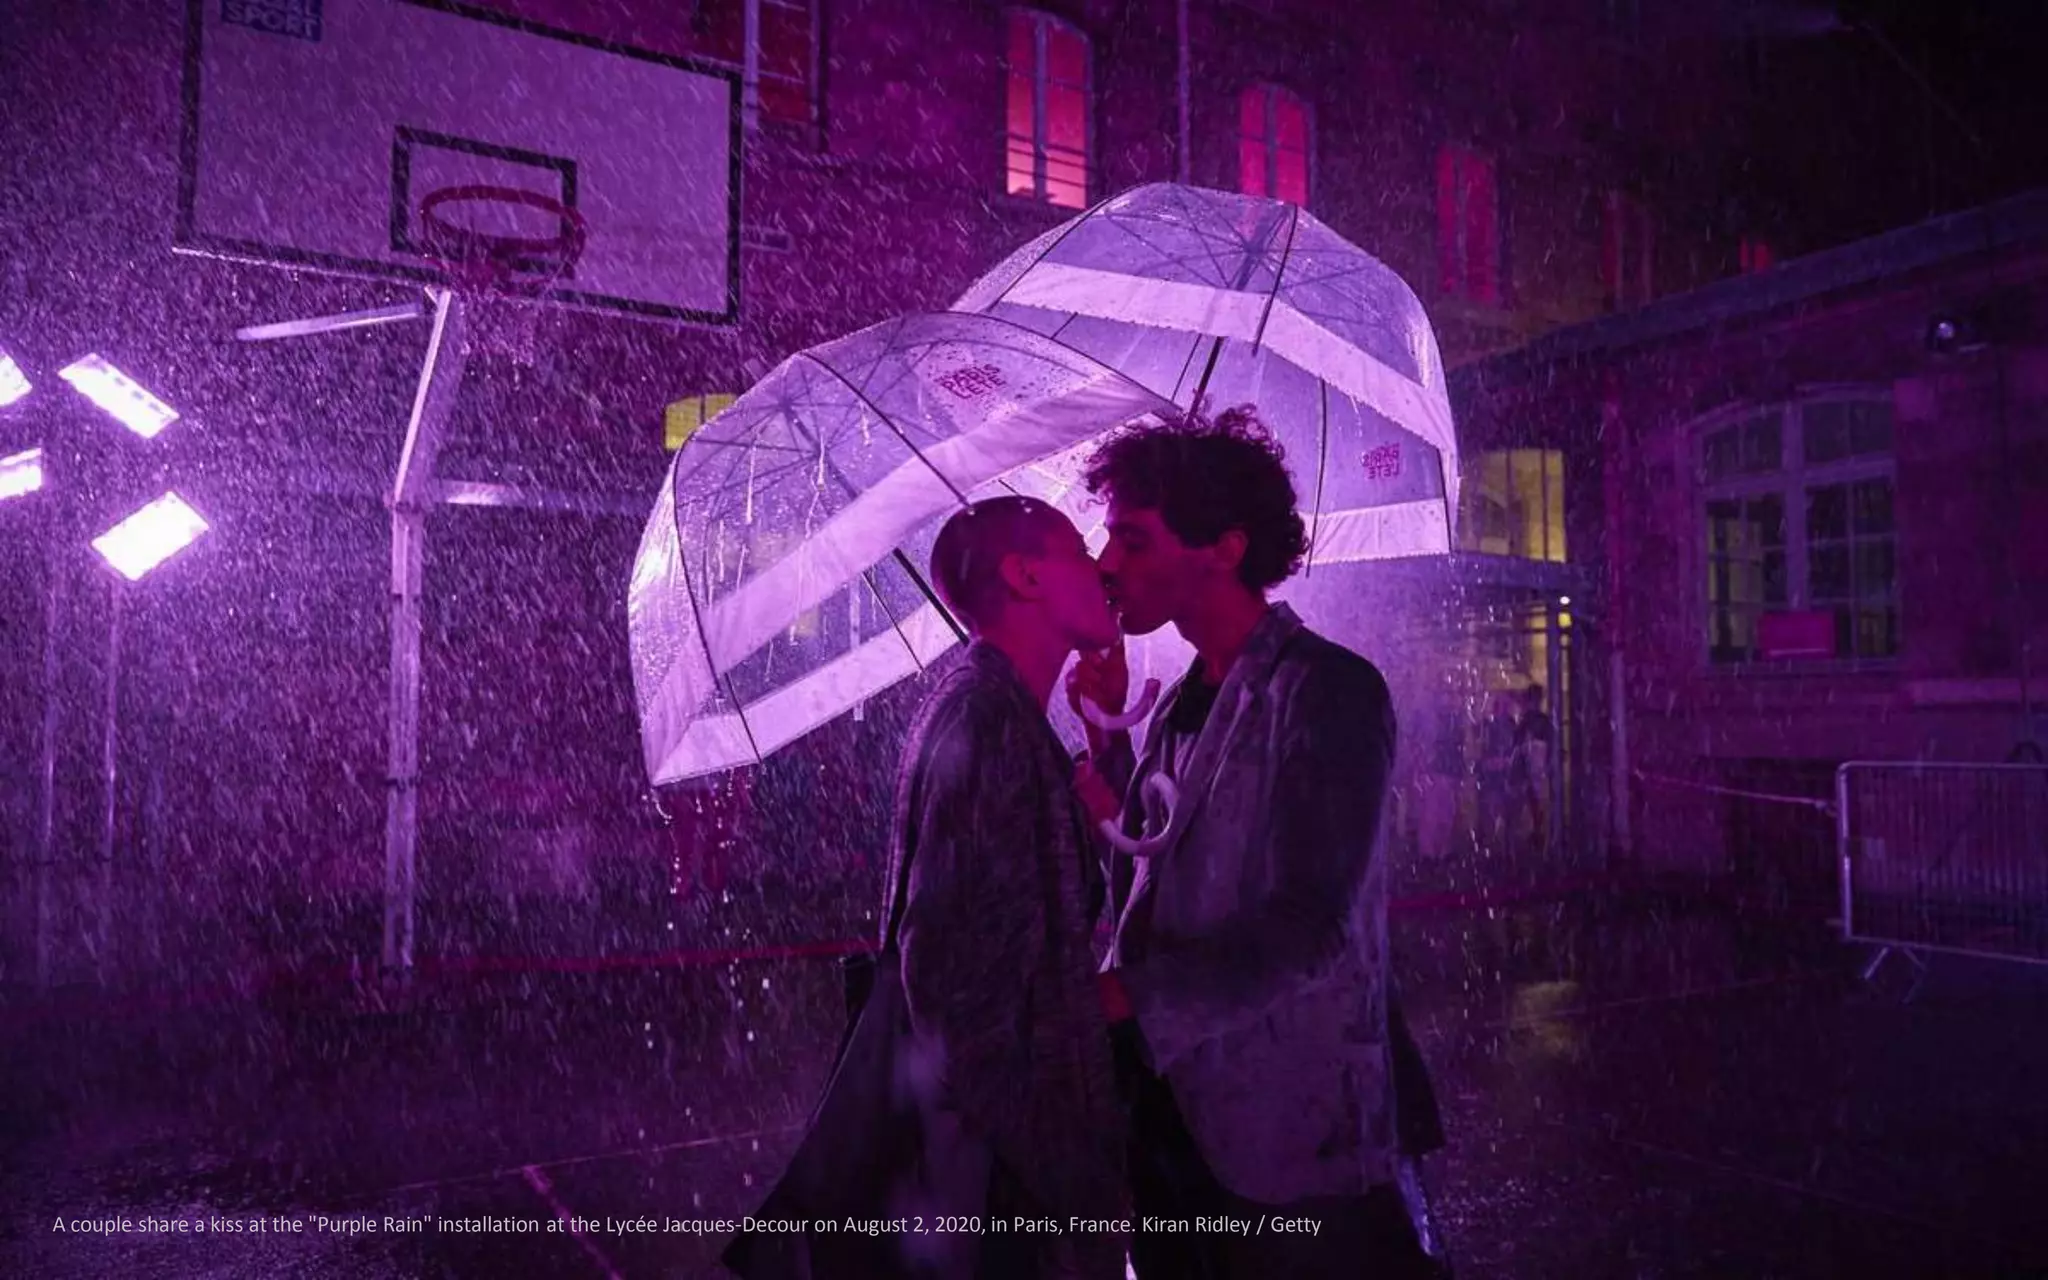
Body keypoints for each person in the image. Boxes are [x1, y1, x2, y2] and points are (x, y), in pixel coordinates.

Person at [1067, 406, 1443, 1279]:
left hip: (1291, 1136)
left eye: (1133, 541)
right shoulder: (1172, 702)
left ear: (1223, 549)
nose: (1106, 565)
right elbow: (1156, 871)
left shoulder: (1329, 692)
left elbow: (1310, 927)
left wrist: (1125, 1000)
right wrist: (1106, 744)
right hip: (1168, 1124)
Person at [727, 495, 1128, 1280]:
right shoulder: (986, 725)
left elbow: (1052, 905)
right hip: (1000, 1181)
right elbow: (950, 987)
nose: (1103, 571)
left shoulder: (998, 711)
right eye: (1081, 553)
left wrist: (1104, 734)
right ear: (1025, 576)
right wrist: (1051, 1161)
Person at [1513, 683, 1555, 855]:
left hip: (1534, 776)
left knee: (1535, 815)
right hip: (1536, 776)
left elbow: (1518, 751)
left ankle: (1535, 847)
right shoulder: (1538, 722)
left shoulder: (1528, 722)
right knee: (1537, 814)